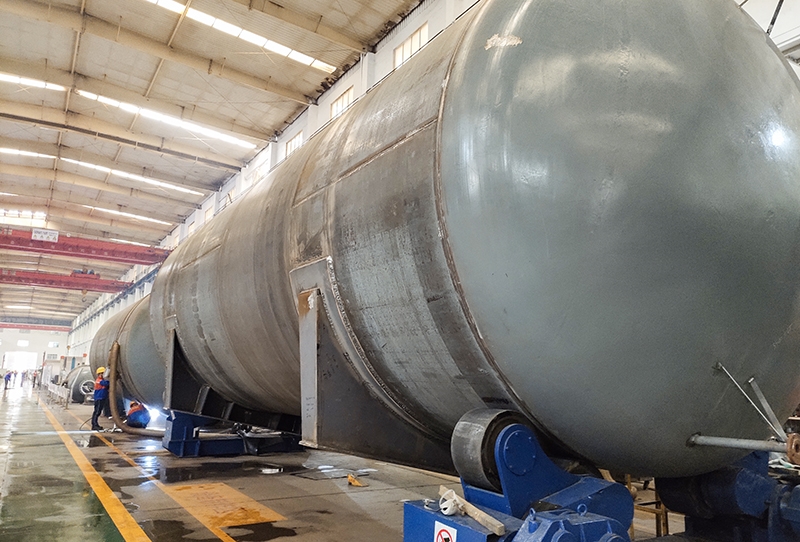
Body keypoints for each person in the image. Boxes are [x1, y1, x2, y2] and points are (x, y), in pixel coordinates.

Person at [91, 367, 109, 431]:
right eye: (102, 374)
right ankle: (94, 425)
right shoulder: (99, 381)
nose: (103, 375)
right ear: (99, 374)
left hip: (101, 398)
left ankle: (95, 424)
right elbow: (107, 384)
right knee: (97, 412)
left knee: (97, 411)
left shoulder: (101, 380)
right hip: (99, 398)